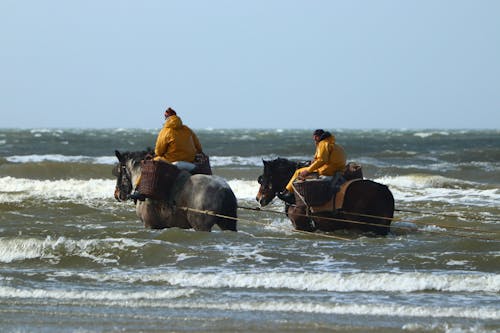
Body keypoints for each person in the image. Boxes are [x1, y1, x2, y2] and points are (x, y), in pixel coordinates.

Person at [129, 107, 203, 201]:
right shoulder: (187, 129)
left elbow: (158, 152)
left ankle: (139, 191)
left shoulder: (166, 130)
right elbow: (199, 148)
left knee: (151, 163)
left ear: (166, 118)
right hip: (190, 162)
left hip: (172, 162)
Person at [277, 129, 346, 204]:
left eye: (314, 138)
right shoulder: (333, 144)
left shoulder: (323, 143)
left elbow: (322, 160)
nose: (314, 140)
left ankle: (288, 194)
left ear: (316, 137)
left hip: (327, 171)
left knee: (298, 172)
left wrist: (308, 170)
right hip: (337, 170)